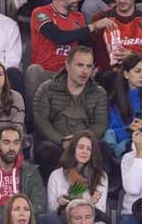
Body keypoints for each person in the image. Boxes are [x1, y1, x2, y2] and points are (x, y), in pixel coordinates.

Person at [32, 45, 108, 178]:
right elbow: (41, 121)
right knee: (46, 150)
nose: (84, 71)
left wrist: (80, 143)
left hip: (86, 143)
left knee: (104, 148)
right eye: (80, 65)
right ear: (67, 65)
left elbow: (100, 124)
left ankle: (97, 191)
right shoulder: (47, 88)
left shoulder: (99, 92)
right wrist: (61, 141)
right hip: (56, 143)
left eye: (88, 66)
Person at [48, 130, 109, 221]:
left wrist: (91, 203)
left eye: (89, 149)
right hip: (64, 221)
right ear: (73, 149)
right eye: (81, 147)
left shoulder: (101, 176)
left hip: (92, 222)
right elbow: (51, 210)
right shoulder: (56, 175)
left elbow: (101, 210)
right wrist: (58, 202)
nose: (85, 151)